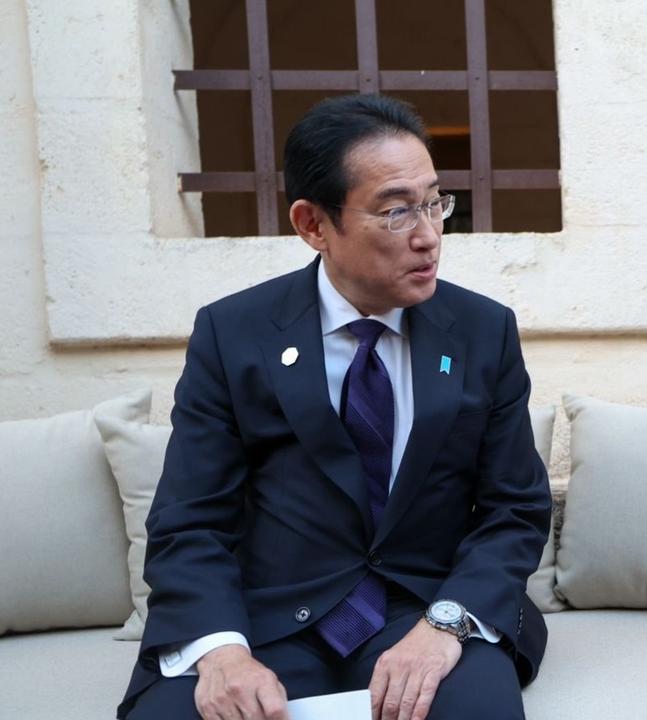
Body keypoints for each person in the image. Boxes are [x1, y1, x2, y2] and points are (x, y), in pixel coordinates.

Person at [118, 94, 551, 720]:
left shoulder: (483, 331)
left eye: (434, 202)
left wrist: (445, 625)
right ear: (313, 225)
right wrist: (222, 651)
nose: (430, 236)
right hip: (267, 620)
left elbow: (515, 510)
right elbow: (189, 520)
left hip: (423, 610)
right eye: (398, 211)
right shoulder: (234, 333)